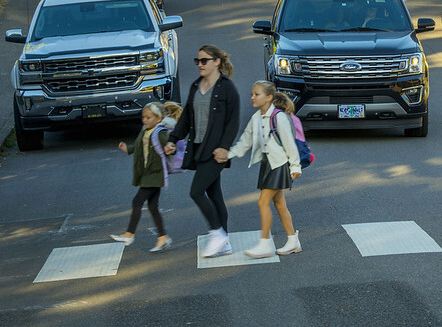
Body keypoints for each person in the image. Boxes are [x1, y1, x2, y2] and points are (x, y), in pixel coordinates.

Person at [165, 45, 240, 257]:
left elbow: (232, 122)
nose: (200, 64)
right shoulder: (196, 86)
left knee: (196, 191)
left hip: (215, 151)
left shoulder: (227, 88)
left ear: (216, 62)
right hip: (198, 148)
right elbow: (186, 118)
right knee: (213, 194)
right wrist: (173, 139)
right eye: (197, 61)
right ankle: (224, 241)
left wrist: (224, 147)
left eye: (204, 60)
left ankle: (217, 233)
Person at [218, 82, 302, 258]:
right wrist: (229, 154)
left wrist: (295, 166)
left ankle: (265, 244)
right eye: (252, 94)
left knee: (263, 202)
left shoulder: (278, 117)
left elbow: (289, 143)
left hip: (279, 165)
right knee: (279, 203)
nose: (252, 97)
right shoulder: (256, 117)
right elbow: (245, 141)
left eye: (257, 94)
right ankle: (293, 241)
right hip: (267, 164)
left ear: (269, 97)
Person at [111, 101, 180, 253]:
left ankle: (129, 234)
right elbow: (138, 146)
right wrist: (127, 149)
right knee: (152, 206)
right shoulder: (145, 131)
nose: (145, 120)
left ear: (159, 118)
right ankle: (163, 237)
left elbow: (170, 147)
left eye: (149, 118)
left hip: (154, 174)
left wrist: (172, 149)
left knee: (137, 201)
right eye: (143, 117)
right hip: (148, 174)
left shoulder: (160, 132)